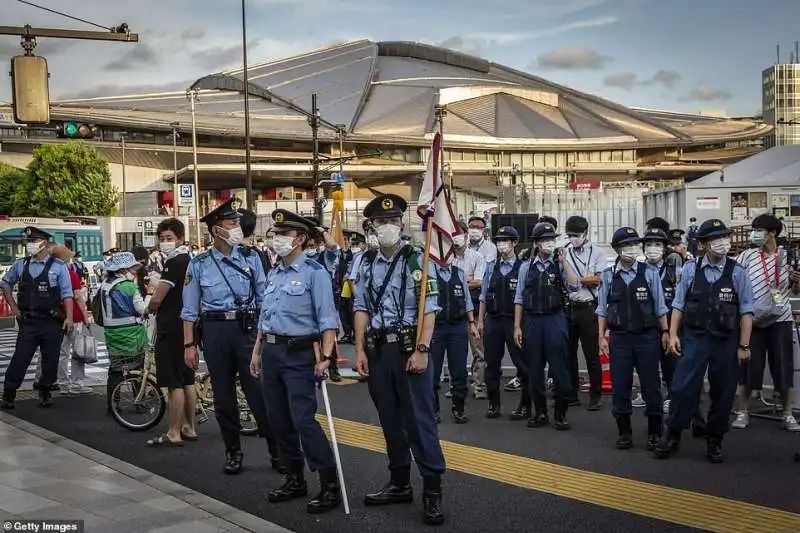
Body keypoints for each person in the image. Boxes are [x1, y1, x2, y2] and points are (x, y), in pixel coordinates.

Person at [353, 193, 445, 526]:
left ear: (402, 224)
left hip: (409, 351)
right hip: (379, 351)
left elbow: (429, 310)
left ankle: (432, 491)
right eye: (381, 222)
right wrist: (360, 349)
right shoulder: (364, 262)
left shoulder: (417, 259)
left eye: (393, 221)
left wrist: (422, 350)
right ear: (372, 227)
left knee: (420, 423)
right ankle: (399, 482)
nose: (388, 227)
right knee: (390, 421)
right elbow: (360, 307)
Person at [249, 208, 342, 514]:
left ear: (300, 238)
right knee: (278, 419)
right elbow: (267, 315)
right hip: (273, 351)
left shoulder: (314, 273)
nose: (276, 240)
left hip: (300, 353)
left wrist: (326, 357)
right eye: (274, 234)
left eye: (284, 234)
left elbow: (328, 318)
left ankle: (329, 483)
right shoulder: (275, 272)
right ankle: (294, 477)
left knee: (303, 419)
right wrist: (258, 350)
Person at [181, 196, 282, 474]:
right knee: (223, 396)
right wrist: (189, 344)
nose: (237, 226)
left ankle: (277, 451)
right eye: (231, 221)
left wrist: (264, 338)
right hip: (214, 331)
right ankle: (233, 451)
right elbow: (189, 309)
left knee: (258, 392)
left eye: (238, 221)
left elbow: (264, 300)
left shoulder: (252, 257)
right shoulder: (199, 264)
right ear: (216, 229)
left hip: (247, 330)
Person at [655, 219, 754, 463]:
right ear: (703, 244)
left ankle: (715, 439)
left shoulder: (737, 272)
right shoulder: (691, 269)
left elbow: (747, 312)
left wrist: (744, 346)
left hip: (726, 341)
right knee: (682, 387)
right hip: (695, 338)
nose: (722, 243)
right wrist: (674, 334)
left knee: (723, 392)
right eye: (715, 239)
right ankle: (673, 432)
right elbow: (679, 304)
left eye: (724, 237)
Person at [597, 227, 669, 450]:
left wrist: (665, 332)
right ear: (618, 249)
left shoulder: (649, 273)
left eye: (634, 245)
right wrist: (601, 337)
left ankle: (655, 432)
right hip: (619, 339)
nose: (632, 249)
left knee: (651, 387)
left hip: (646, 337)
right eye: (627, 245)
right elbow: (601, 309)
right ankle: (624, 432)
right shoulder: (609, 275)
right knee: (621, 387)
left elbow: (659, 306)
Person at [732, 214, 800, 432]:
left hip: (781, 319)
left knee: (783, 367)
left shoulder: (788, 257)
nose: (755, 234)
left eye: (759, 230)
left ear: (772, 233)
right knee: (749, 366)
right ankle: (743, 411)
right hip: (753, 319)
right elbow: (734, 280)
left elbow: (795, 290)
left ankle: (787, 413)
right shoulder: (747, 256)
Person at [0, 227, 74, 409]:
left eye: (34, 241)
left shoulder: (58, 267)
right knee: (20, 358)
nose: (30, 245)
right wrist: (14, 308)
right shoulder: (21, 265)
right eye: (29, 241)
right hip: (28, 321)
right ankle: (9, 394)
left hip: (51, 321)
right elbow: (5, 283)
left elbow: (67, 294)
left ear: (44, 244)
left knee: (51, 359)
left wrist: (69, 318)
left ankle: (45, 391)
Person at [513, 222, 573, 430]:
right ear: (537, 243)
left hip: (555, 319)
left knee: (560, 368)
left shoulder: (559, 264)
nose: (549, 244)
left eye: (552, 240)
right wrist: (517, 327)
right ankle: (540, 412)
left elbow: (574, 285)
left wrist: (564, 262)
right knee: (534, 369)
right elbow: (519, 298)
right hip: (532, 320)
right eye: (545, 240)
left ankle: (560, 412)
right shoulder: (525, 267)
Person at [146, 218, 198, 446]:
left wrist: (149, 306)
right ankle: (190, 426)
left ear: (180, 239)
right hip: (188, 326)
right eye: (162, 239)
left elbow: (159, 297)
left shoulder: (174, 262)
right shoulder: (190, 260)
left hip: (171, 327)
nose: (165, 243)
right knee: (188, 379)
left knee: (173, 382)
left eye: (169, 238)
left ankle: (174, 431)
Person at [477, 226, 528, 418]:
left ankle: (525, 404)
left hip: (514, 322)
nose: (501, 245)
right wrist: (480, 321)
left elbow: (522, 298)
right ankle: (494, 404)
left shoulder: (523, 267)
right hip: (493, 321)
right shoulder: (491, 267)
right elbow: (483, 296)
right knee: (492, 364)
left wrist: (518, 326)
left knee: (522, 364)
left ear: (514, 243)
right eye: (498, 241)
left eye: (505, 240)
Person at [562, 215, 606, 410]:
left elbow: (598, 280)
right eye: (570, 235)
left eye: (576, 235)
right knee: (568, 353)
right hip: (571, 307)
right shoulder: (565, 253)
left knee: (591, 354)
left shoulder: (597, 252)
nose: (573, 238)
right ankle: (571, 393)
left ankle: (595, 395)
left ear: (585, 233)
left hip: (589, 307)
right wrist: (581, 279)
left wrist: (577, 280)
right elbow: (565, 281)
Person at [431, 244, 478, 424]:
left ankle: (459, 408)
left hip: (457, 328)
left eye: (451, 252)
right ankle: (433, 410)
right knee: (433, 373)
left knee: (459, 371)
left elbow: (467, 301)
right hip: (436, 328)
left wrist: (472, 324)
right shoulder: (430, 273)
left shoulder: (459, 273)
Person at [99, 252, 150, 414]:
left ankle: (112, 404)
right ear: (124, 269)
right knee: (138, 369)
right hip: (132, 335)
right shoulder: (129, 287)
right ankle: (138, 401)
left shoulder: (105, 286)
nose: (134, 272)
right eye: (132, 269)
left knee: (115, 370)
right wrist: (149, 295)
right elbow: (143, 310)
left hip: (112, 335)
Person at [450, 222, 487, 400]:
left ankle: (478, 385)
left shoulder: (477, 257)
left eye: (459, 233)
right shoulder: (446, 258)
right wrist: (468, 280)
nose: (455, 237)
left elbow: (479, 282)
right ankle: (455, 385)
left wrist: (458, 284)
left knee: (478, 350)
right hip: (453, 311)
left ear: (465, 235)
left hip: (473, 308)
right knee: (455, 351)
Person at [51, 245, 92, 395]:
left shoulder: (50, 274)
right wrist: (86, 317)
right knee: (78, 352)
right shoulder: (70, 274)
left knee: (62, 353)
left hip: (58, 318)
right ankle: (76, 383)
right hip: (74, 317)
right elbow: (79, 298)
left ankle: (62, 383)